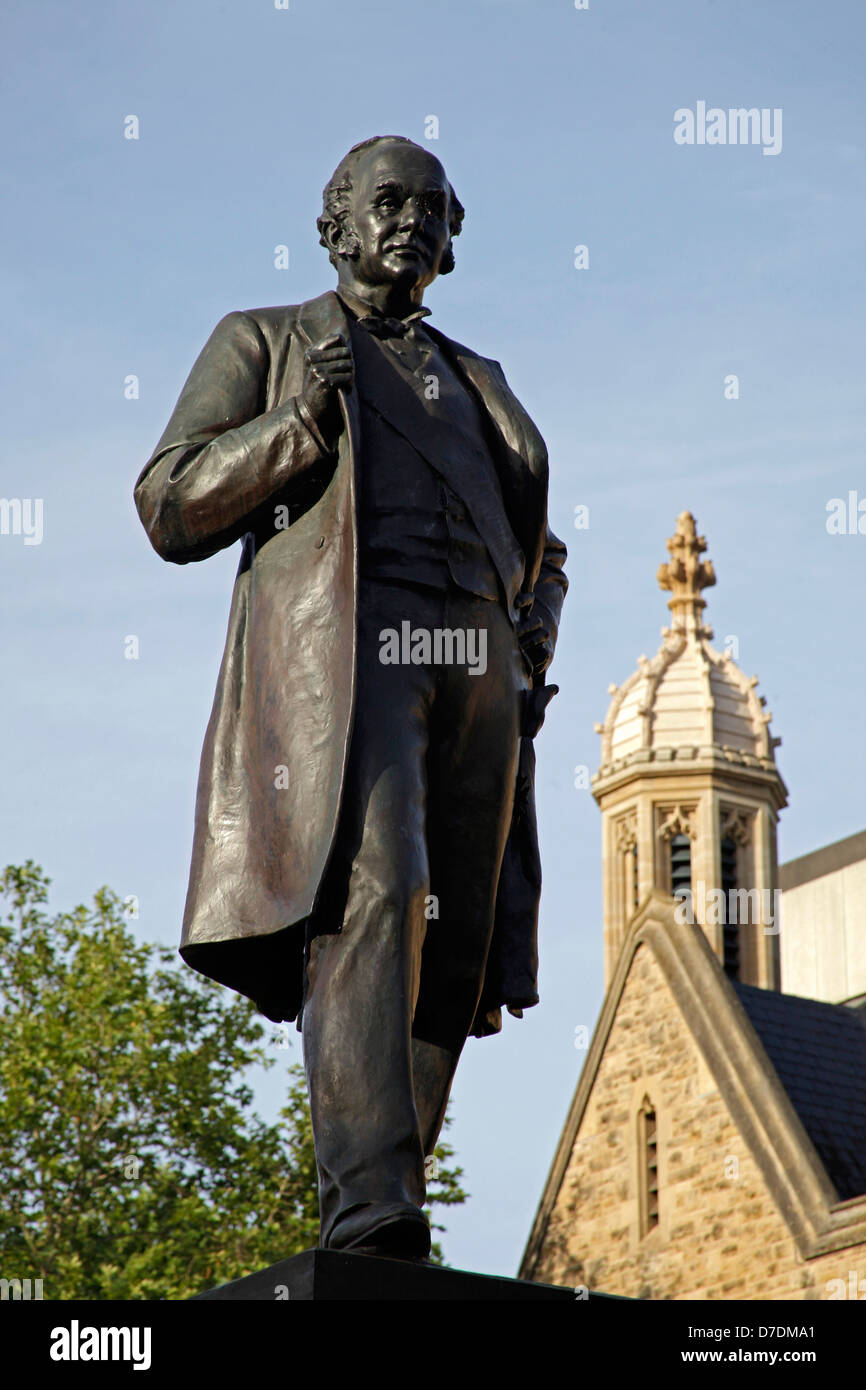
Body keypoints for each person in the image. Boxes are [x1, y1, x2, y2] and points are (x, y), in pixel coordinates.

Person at [135, 135, 567, 1260]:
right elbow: (168, 500)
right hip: (350, 660)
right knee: (381, 884)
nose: (412, 224)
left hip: (477, 668)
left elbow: (541, 547)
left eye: (433, 210)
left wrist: (530, 639)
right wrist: (291, 431)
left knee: (455, 939)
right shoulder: (267, 342)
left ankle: (394, 1189)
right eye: (388, 203)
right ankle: (369, 1203)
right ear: (333, 223)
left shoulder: (482, 382)